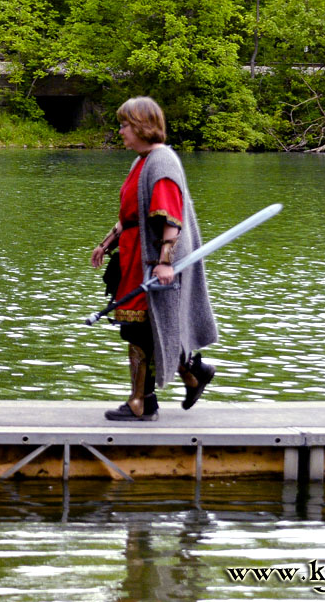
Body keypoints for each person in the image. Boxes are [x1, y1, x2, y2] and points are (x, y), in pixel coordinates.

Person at [90, 96, 218, 421]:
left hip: (151, 261)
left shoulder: (162, 162)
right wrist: (106, 244)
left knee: (143, 330)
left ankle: (142, 402)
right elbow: (129, 216)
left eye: (124, 125)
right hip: (132, 256)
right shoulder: (140, 162)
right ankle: (191, 375)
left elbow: (170, 219)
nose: (120, 132)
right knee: (139, 330)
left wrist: (164, 263)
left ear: (142, 126)